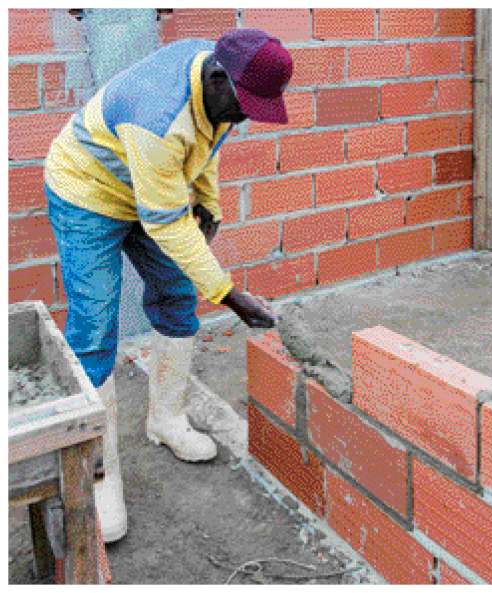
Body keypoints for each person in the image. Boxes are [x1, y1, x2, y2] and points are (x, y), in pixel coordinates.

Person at [44, 28, 293, 543]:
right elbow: (165, 221)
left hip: (151, 185)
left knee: (178, 299)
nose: (245, 115)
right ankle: (100, 474)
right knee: (93, 328)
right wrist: (229, 294)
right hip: (89, 191)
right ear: (220, 77)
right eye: (243, 103)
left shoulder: (216, 80)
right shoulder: (159, 115)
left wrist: (213, 205)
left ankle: (166, 419)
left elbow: (206, 142)